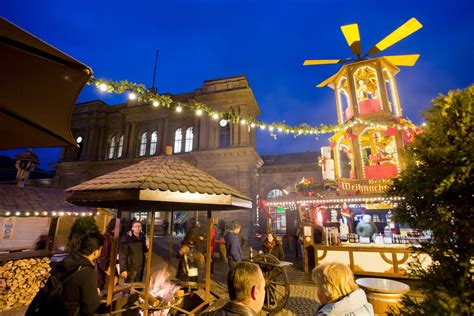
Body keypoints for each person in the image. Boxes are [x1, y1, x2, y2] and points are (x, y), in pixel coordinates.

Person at [57, 232, 106, 315]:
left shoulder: (67, 260)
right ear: (96, 252)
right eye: (101, 249)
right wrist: (96, 295)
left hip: (55, 309)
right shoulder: (88, 273)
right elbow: (90, 309)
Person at [96, 218, 116, 290]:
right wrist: (111, 273)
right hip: (103, 274)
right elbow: (102, 259)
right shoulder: (107, 239)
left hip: (107, 271)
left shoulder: (111, 237)